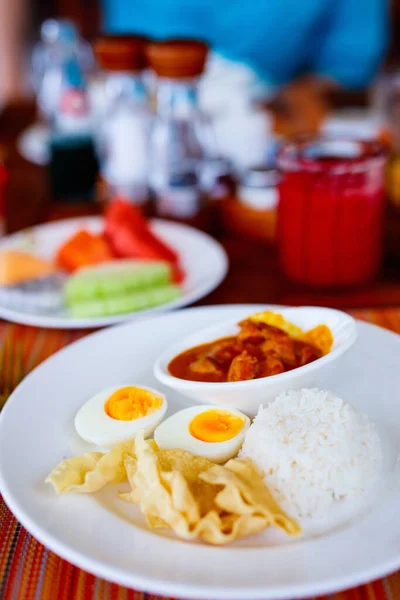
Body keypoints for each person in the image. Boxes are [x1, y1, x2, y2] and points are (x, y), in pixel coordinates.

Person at [0, 0, 388, 134]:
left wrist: (274, 110)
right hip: (127, 116)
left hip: (265, 139)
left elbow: (347, 70)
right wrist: (10, 83)